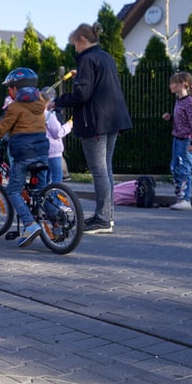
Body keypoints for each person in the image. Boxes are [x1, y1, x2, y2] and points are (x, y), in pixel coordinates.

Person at [55, 22, 132, 234]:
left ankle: (102, 219)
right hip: (112, 119)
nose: (74, 49)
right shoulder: (104, 56)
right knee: (106, 169)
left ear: (82, 40)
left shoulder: (87, 59)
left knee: (99, 171)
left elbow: (82, 95)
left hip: (95, 122)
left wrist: (58, 101)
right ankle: (108, 215)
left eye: (74, 45)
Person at [0, 68, 49, 248]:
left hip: (23, 153)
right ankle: (55, 223)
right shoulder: (41, 102)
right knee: (42, 191)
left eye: (11, 88)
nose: (10, 91)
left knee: (13, 191)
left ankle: (30, 225)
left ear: (16, 89)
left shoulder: (15, 107)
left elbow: (1, 129)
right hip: (42, 150)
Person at [162, 71, 192, 210]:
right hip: (177, 139)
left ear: (183, 84)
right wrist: (171, 118)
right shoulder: (179, 100)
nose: (170, 85)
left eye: (173, 82)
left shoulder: (189, 102)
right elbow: (184, 121)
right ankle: (180, 198)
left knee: (184, 168)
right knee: (175, 168)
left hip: (186, 141)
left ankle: (185, 199)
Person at [45, 98, 73, 184]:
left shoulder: (35, 115)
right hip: (53, 150)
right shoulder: (49, 115)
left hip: (43, 150)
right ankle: (54, 196)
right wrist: (68, 125)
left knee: (45, 177)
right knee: (57, 177)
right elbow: (57, 133)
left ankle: (43, 194)